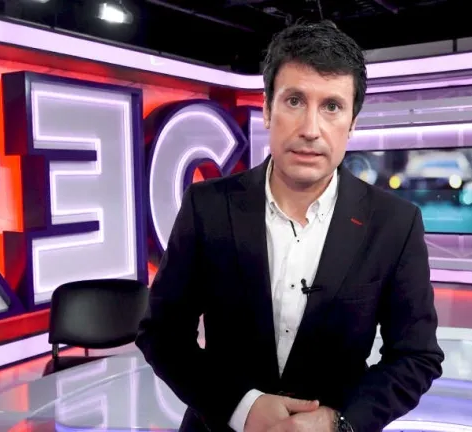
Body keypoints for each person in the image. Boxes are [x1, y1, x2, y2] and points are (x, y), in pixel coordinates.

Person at [137, 20, 444, 432]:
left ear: (352, 121)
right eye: (295, 100)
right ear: (267, 109)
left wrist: (337, 421)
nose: (310, 130)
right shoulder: (207, 206)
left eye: (332, 107)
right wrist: (242, 408)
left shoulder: (395, 223)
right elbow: (163, 334)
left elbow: (416, 357)